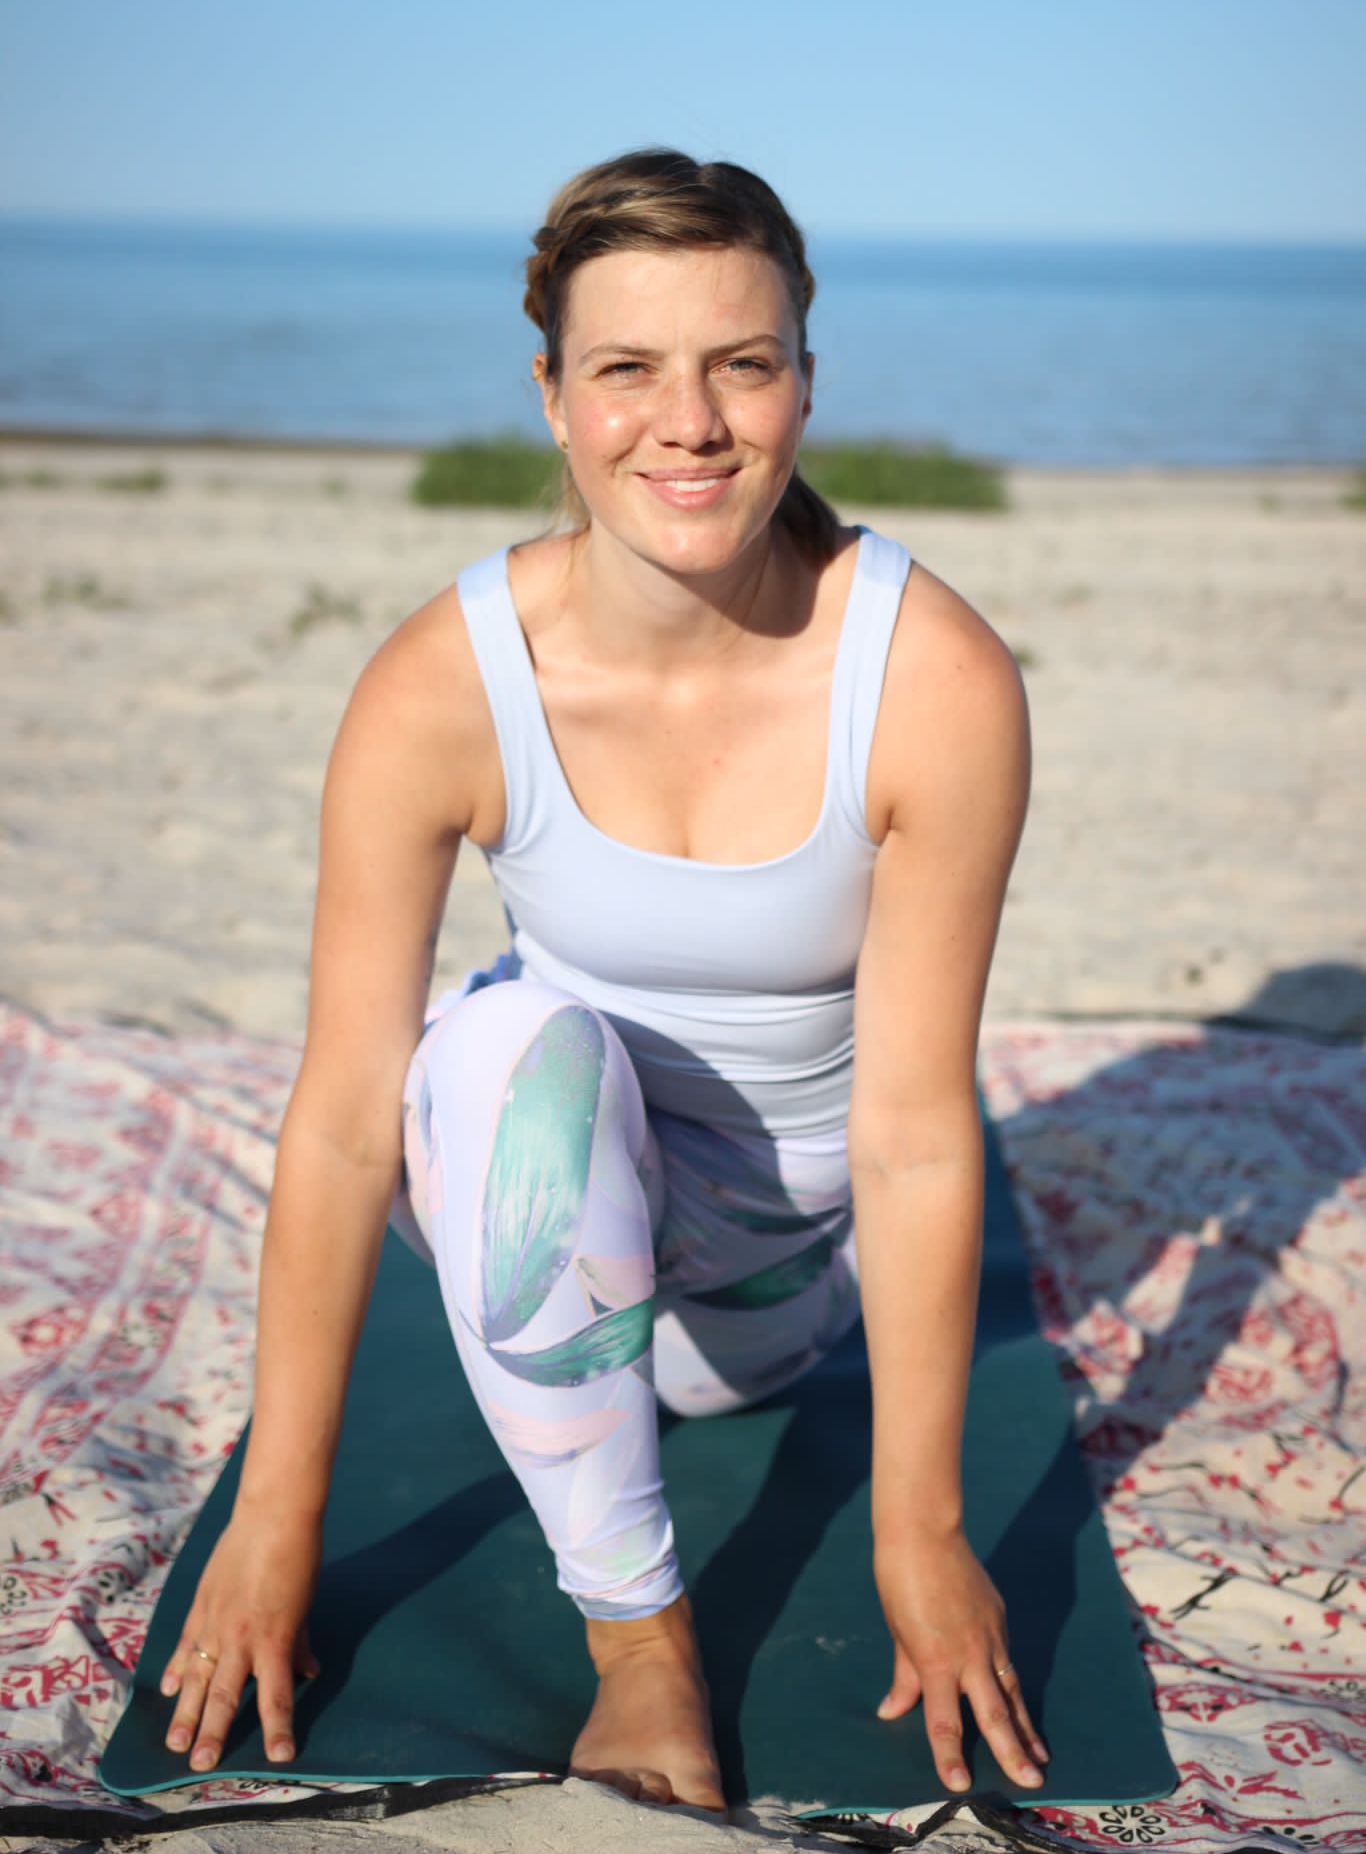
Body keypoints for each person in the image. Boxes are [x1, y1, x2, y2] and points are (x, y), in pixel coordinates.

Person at [156, 147, 1044, 1812]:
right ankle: (642, 1652)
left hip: (766, 1301)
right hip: (533, 1196)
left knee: (525, 1068)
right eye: (627, 367)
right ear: (554, 398)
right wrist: (275, 1517)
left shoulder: (927, 676)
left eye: (741, 364)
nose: (687, 423)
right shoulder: (444, 678)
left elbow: (919, 1130)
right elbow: (345, 1116)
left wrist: (918, 1531)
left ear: (803, 382)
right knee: (492, 1045)